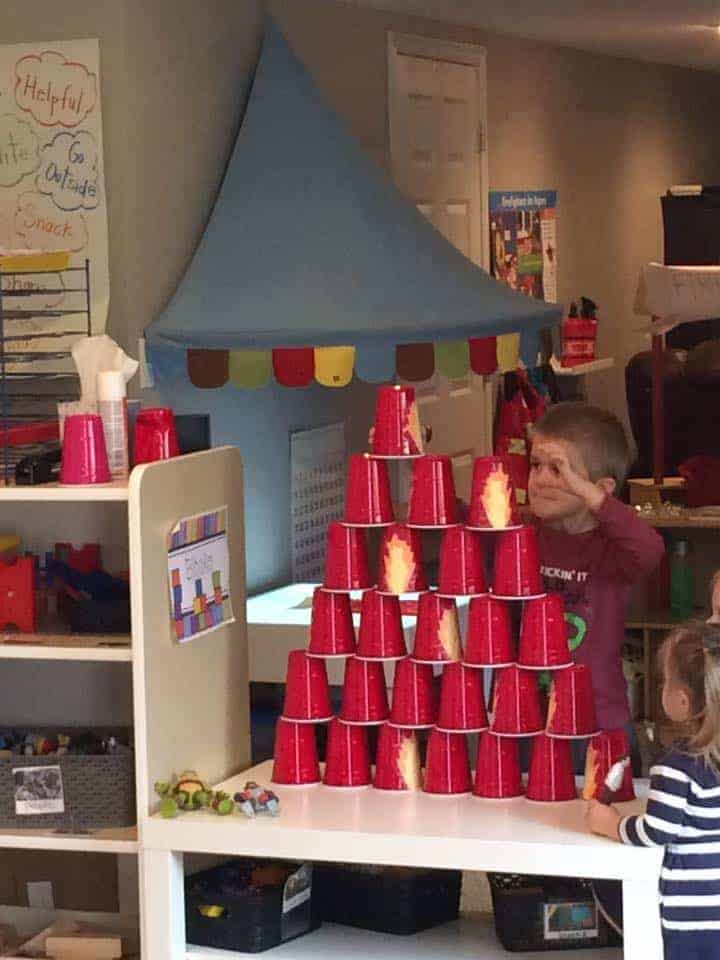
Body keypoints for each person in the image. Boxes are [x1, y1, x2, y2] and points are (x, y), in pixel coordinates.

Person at [529, 402, 665, 770]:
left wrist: (588, 494)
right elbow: (456, 520)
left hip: (597, 719)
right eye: (536, 466)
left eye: (558, 470)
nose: (539, 479)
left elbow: (650, 548)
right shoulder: (523, 535)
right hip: (526, 715)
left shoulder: (612, 551)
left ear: (600, 490)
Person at [587, 622, 720, 960]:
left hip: (694, 917)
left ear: (681, 700)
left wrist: (612, 823)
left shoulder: (678, 765)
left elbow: (657, 831)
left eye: (663, 681)